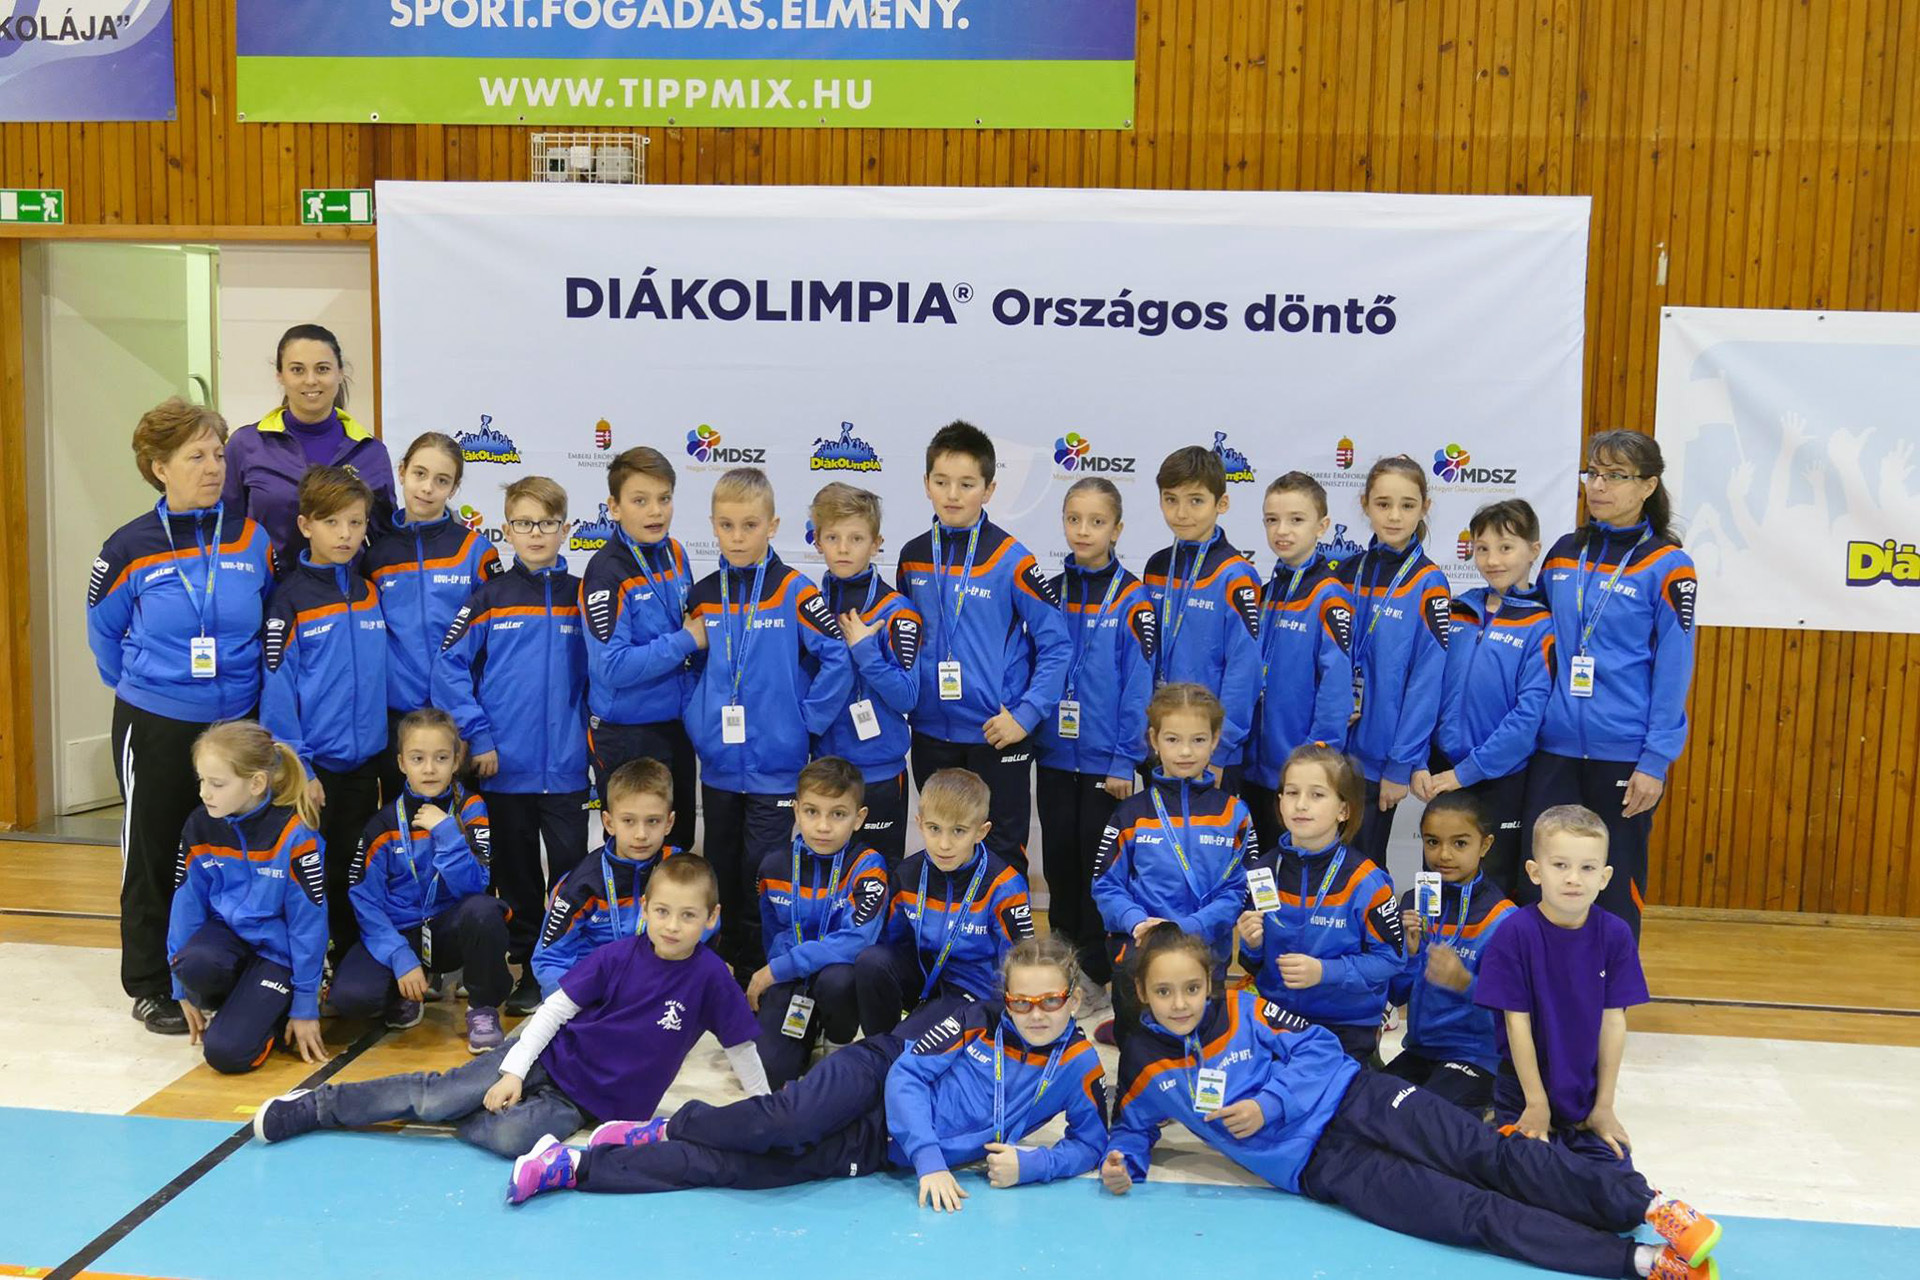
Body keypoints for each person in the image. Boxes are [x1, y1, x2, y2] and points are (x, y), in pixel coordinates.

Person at [1101, 925, 1725, 1280]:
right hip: (1322, 1168)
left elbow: (1319, 1046)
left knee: (1490, 1156)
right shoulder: (1146, 1063)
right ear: (1141, 993)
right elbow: (1133, 1125)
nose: (1180, 1003)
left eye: (1191, 988)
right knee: (1469, 1215)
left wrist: (1270, 1105)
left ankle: (1650, 1206)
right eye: (1164, 992)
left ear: (1210, 984)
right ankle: (1640, 1260)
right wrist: (1123, 1162)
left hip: (1360, 1096)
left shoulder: (1245, 1007)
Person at [505, 934, 1107, 1209]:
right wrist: (930, 1159)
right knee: (783, 1123)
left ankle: (575, 1167)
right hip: (874, 1077)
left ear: (1074, 1000)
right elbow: (907, 1078)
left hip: (878, 1147)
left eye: (1050, 1001)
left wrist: (1034, 1165)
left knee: (741, 1173)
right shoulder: (971, 1017)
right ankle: (668, 1126)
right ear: (1006, 997)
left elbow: (1091, 1141)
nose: (1035, 1014)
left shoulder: (1078, 1065)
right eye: (1021, 1001)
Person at [251, 855, 769, 1159]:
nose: (672, 926)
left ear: (712, 918)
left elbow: (742, 1049)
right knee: (434, 1097)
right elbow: (552, 1012)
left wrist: (769, 1112)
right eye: (662, 912)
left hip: (591, 1106)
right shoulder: (616, 957)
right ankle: (317, 1107)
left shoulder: (711, 979)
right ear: (646, 911)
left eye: (688, 915)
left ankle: (467, 1106)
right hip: (547, 1057)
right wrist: (514, 1072)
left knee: (510, 1138)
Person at [89, 398, 277, 1034]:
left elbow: (268, 620)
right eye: (196, 456)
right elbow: (104, 636)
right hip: (158, 722)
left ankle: (220, 970)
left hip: (238, 721)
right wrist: (157, 689)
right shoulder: (129, 546)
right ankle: (149, 983)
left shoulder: (251, 538)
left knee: (234, 846)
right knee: (155, 851)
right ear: (158, 467)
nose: (214, 467)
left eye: (218, 454)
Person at [680, 467, 854, 975]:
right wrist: (698, 719)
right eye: (727, 526)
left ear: (772, 526)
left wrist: (805, 722)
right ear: (713, 525)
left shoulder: (795, 590)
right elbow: (690, 666)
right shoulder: (703, 593)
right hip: (718, 767)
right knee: (720, 872)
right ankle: (717, 972)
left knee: (765, 875)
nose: (737, 537)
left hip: (776, 768)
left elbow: (837, 658)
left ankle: (761, 975)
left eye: (750, 525)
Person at [1527, 431, 1697, 936]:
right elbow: (1532, 637)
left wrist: (1655, 760)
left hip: (1623, 754)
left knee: (1614, 883)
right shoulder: (1563, 553)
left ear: (1648, 486)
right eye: (1594, 474)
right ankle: (1545, 979)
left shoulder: (1668, 565)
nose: (1599, 486)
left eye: (1616, 476)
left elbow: (1674, 667)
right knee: (1544, 883)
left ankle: (1611, 983)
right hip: (1553, 749)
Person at [434, 475, 590, 1015]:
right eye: (524, 523)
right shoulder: (489, 598)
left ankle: (567, 967)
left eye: (547, 523)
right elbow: (448, 668)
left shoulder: (583, 598)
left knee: (570, 875)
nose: (536, 533)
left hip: (568, 769)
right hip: (502, 767)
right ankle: (525, 965)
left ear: (566, 529)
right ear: (506, 530)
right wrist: (478, 735)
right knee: (517, 876)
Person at [896, 421, 1071, 874]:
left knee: (1001, 858)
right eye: (941, 482)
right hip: (931, 735)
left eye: (967, 484)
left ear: (989, 489)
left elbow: (1056, 645)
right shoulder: (913, 556)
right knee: (943, 856)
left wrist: (1026, 716)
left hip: (998, 734)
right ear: (926, 484)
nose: (953, 494)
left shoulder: (1013, 559)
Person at [1035, 476, 1154, 1019]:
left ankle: (1098, 975)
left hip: (1109, 763)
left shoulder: (1133, 598)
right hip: (1056, 756)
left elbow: (1138, 684)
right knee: (1060, 866)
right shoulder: (1049, 591)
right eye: (1073, 519)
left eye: (1097, 521)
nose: (1083, 530)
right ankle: (1064, 970)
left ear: (1117, 528)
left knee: (1099, 874)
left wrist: (1125, 758)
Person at [260, 465, 388, 959]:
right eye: (332, 522)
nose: (345, 534)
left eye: (355, 523)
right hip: (314, 773)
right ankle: (309, 964)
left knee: (355, 870)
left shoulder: (369, 592)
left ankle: (353, 961)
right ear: (306, 525)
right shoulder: (289, 601)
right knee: (311, 873)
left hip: (366, 767)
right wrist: (302, 769)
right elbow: (278, 696)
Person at [1476, 805, 1650, 1167]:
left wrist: (1604, 1106)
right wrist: (1536, 1104)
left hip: (1584, 1093)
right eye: (1560, 865)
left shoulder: (1615, 935)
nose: (1574, 879)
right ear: (1535, 872)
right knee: (1534, 1177)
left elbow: (1613, 1022)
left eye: (1587, 868)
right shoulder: (1513, 934)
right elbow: (1516, 1023)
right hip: (1523, 1092)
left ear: (1604, 877)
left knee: (1616, 1178)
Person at [328, 708, 510, 1054]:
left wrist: (447, 832)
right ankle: (407, 991)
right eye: (418, 758)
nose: (429, 769)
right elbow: (365, 900)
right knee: (352, 998)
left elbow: (476, 886)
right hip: (401, 932)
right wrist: (399, 955)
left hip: (448, 930)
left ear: (456, 761)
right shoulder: (383, 824)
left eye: (441, 758)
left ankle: (482, 1008)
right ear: (401, 763)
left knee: (485, 911)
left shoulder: (471, 809)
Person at [1091, 683, 1252, 1049]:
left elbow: (1238, 890)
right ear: (1154, 739)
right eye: (1173, 739)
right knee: (1139, 1052)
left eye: (1198, 740)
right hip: (1140, 951)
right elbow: (1106, 884)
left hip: (1205, 951)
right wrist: (1137, 922)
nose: (1185, 751)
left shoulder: (1234, 814)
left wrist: (1188, 927)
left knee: (1203, 1050)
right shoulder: (1131, 813)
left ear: (1215, 741)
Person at [168, 721, 328, 1074]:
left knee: (226, 1054)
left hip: (278, 955)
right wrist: (181, 987)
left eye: (217, 784)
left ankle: (273, 1009)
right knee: (192, 963)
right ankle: (247, 1004)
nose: (204, 793)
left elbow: (309, 924)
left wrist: (305, 1003)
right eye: (201, 781)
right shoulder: (199, 825)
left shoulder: (294, 833)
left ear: (256, 783)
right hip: (227, 940)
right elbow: (185, 905)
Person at [1413, 498, 1552, 893]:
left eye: (1506, 548)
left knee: (1493, 888)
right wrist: (1419, 760)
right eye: (1482, 548)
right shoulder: (1457, 610)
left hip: (1499, 779)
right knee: (1438, 879)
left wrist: (1467, 773)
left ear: (1533, 550)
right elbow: (1426, 690)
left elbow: (1527, 718)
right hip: (1441, 771)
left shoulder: (1541, 625)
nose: (1493, 560)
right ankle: (1433, 938)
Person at [1236, 743, 1402, 1062]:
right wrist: (1252, 944)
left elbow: (1391, 959)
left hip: (1345, 1024)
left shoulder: (1367, 881)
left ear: (1344, 810)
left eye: (1317, 795)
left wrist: (1325, 971)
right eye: (1291, 792)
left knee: (1319, 1088)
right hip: (1279, 1018)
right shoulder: (1262, 872)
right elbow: (1254, 962)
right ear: (1280, 801)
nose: (1301, 804)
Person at [364, 431, 500, 804]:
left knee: (464, 829)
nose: (427, 488)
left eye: (441, 480)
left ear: (453, 489)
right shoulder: (376, 556)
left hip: (458, 722)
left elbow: (493, 649)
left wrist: (475, 727)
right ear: (402, 472)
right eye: (419, 474)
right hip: (398, 723)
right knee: (401, 829)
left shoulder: (476, 552)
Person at [854, 768, 1034, 1037]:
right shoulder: (907, 874)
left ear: (981, 831)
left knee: (907, 1041)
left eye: (958, 831)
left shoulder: (1005, 886)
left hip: (972, 989)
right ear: (920, 823)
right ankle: (880, 1042)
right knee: (871, 961)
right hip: (923, 976)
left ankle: (894, 1046)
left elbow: (1021, 962)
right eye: (934, 829)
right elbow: (891, 943)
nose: (944, 844)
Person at [580, 446, 699, 854]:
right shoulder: (606, 572)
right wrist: (686, 640)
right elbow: (611, 666)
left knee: (677, 846)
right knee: (632, 850)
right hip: (626, 734)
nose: (656, 512)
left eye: (664, 499)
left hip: (676, 728)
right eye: (640, 501)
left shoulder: (676, 552)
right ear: (614, 507)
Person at [745, 757, 891, 1088]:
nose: (823, 826)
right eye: (812, 812)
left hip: (835, 980)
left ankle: (836, 1039)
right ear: (796, 811)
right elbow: (772, 934)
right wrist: (779, 975)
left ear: (859, 818)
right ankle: (803, 1030)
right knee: (770, 1073)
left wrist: (779, 968)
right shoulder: (773, 866)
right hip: (791, 981)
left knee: (838, 980)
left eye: (838, 814)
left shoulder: (868, 866)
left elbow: (857, 940)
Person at [1336, 455, 1451, 864]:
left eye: (1407, 505)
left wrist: (1401, 764)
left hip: (1378, 761)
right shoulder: (1345, 572)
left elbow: (1426, 682)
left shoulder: (1430, 583)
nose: (1395, 516)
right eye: (1383, 504)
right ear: (1365, 505)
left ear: (1425, 507)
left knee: (1362, 868)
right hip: (1329, 750)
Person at [1382, 791, 1516, 1112]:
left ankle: (1489, 1112)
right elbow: (1398, 995)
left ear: (1485, 845)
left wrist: (1464, 982)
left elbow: (1515, 1013)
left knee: (1420, 1117)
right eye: (1432, 842)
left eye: (1460, 843)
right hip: (1420, 1051)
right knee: (1367, 1107)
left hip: (1477, 1057)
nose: (1443, 854)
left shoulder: (1503, 919)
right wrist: (1410, 955)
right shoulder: (1414, 902)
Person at [1245, 471, 1355, 856]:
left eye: (1296, 519)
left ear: (1322, 526)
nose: (1282, 530)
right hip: (1254, 768)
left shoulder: (1330, 596)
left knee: (1296, 867)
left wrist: (1316, 763)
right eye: (1272, 520)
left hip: (1298, 776)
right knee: (1258, 870)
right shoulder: (1267, 592)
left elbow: (1336, 690)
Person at [812, 483, 922, 867]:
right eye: (833, 537)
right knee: (826, 876)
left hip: (879, 775)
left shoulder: (897, 610)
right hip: (825, 770)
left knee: (880, 876)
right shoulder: (811, 607)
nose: (843, 548)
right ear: (817, 542)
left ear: (876, 543)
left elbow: (907, 696)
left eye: (856, 538)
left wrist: (865, 651)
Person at [1143, 445, 1263, 789]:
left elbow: (1244, 670)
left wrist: (1220, 750)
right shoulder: (1157, 566)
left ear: (1221, 504)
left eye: (1196, 500)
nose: (1181, 513)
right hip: (1162, 741)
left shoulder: (1236, 575)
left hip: (1209, 748)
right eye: (1171, 499)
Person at [222, 324, 393, 554]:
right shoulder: (246, 445)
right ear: (280, 376)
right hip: (267, 578)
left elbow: (385, 544)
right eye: (297, 370)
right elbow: (225, 531)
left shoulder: (370, 451)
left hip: (347, 578)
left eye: (322, 369)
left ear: (340, 373)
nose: (311, 380)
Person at [531, 757, 685, 994]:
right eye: (628, 821)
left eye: (653, 821)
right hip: (593, 992)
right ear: (609, 823)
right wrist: (584, 997)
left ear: (669, 823)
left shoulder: (681, 873)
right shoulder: (581, 885)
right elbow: (549, 960)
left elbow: (703, 930)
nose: (641, 834)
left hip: (657, 987)